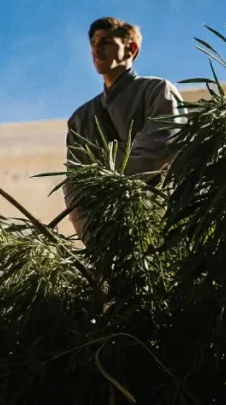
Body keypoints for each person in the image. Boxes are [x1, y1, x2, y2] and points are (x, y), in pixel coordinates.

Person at [63, 17, 185, 241]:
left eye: (106, 42)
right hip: (108, 234)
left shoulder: (157, 91)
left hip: (163, 220)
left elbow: (161, 147)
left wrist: (109, 180)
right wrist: (94, 236)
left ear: (131, 49)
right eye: (93, 44)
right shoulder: (81, 118)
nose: (96, 49)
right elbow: (75, 183)